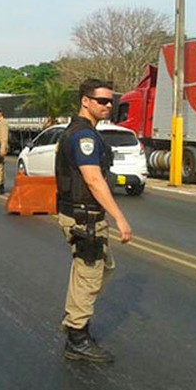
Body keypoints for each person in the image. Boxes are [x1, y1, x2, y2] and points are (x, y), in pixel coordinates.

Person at [55, 78, 132, 363]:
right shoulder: (82, 136)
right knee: (89, 274)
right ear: (85, 101)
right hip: (83, 216)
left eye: (111, 101)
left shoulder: (85, 132)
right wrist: (120, 217)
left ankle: (76, 322)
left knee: (95, 270)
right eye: (102, 101)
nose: (108, 105)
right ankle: (77, 338)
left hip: (83, 215)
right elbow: (93, 179)